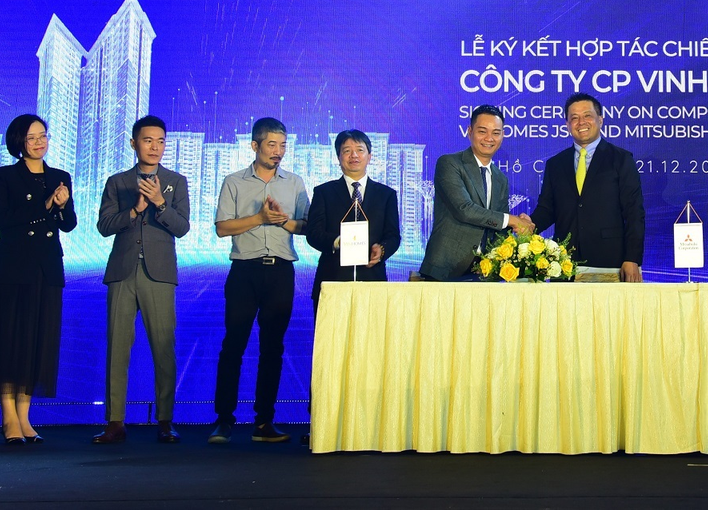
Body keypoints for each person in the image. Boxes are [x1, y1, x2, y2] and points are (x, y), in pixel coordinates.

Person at [0, 114, 77, 445]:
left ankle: (25, 416)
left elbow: (69, 224)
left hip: (46, 269)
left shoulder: (59, 177)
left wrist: (61, 206)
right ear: (19, 142)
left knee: (36, 341)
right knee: (9, 341)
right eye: (31, 138)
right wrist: (44, 206)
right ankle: (8, 417)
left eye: (43, 136)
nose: (38, 143)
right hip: (11, 269)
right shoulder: (4, 176)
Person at [208, 117, 308, 445]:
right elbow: (222, 228)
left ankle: (264, 421)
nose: (278, 151)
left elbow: (307, 226)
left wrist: (283, 221)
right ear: (255, 145)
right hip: (244, 271)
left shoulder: (294, 183)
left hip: (280, 271)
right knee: (233, 345)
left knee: (272, 348)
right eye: (271, 145)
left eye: (283, 145)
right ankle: (224, 420)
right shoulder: (234, 182)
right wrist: (259, 218)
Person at [92, 115, 190, 444]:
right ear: (134, 143)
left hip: (159, 273)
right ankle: (114, 421)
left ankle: (165, 420)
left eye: (160, 141)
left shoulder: (176, 181)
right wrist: (134, 211)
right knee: (117, 348)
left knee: (163, 347)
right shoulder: (118, 182)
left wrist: (160, 203)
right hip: (122, 271)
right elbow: (104, 226)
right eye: (148, 141)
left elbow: (182, 227)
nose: (155, 147)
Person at [530, 93, 645, 282]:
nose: (581, 122)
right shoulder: (555, 164)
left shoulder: (621, 159)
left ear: (600, 119)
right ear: (567, 125)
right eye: (574, 118)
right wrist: (528, 224)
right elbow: (547, 210)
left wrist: (632, 258)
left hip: (610, 262)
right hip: (564, 265)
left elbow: (634, 213)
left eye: (587, 116)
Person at [420, 105, 532, 280]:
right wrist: (512, 220)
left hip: (484, 271)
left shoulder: (501, 179)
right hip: (445, 268)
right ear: (470, 131)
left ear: (503, 135)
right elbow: (465, 209)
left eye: (496, 133)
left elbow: (499, 226)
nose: (489, 138)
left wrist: (518, 227)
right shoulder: (449, 163)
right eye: (482, 131)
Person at [306, 129, 401, 308]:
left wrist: (382, 250)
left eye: (359, 150)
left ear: (369, 156)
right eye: (347, 151)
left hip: (372, 280)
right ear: (338, 157)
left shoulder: (386, 195)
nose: (354, 155)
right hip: (332, 280)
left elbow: (393, 235)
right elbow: (313, 233)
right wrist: (338, 242)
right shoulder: (323, 192)